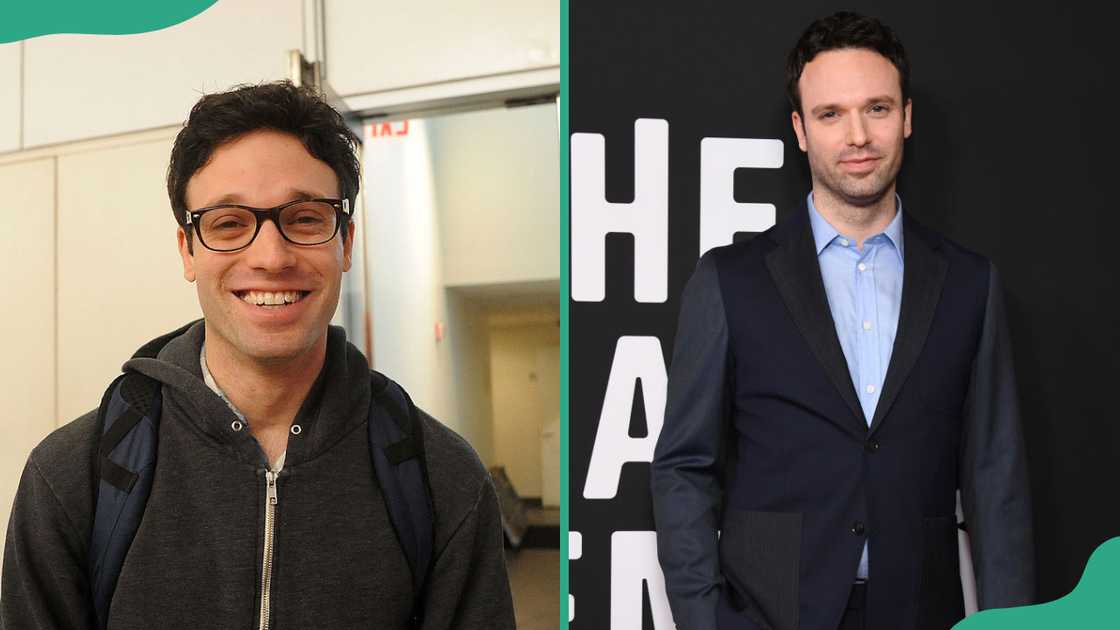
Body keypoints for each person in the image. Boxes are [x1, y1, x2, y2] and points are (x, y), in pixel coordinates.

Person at [1, 81, 515, 630]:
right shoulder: (71, 476)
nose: (271, 256)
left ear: (345, 242)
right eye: (229, 224)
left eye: (306, 218)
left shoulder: (444, 480)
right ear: (188, 251)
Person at [650, 12, 1035, 630]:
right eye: (831, 114)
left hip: (919, 610)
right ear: (801, 130)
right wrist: (706, 620)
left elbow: (996, 478)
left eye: (877, 109)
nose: (857, 135)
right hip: (770, 615)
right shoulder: (728, 280)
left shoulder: (970, 285)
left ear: (906, 118)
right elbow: (683, 467)